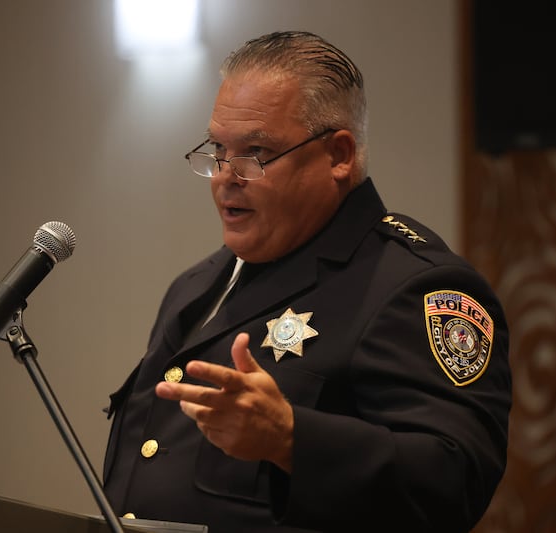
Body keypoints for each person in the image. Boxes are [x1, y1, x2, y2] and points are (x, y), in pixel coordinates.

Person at [102, 30, 511, 533]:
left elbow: (456, 479)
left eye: (255, 152)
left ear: (338, 155)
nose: (225, 176)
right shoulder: (194, 286)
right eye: (217, 149)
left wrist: (291, 439)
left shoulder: (414, 287)